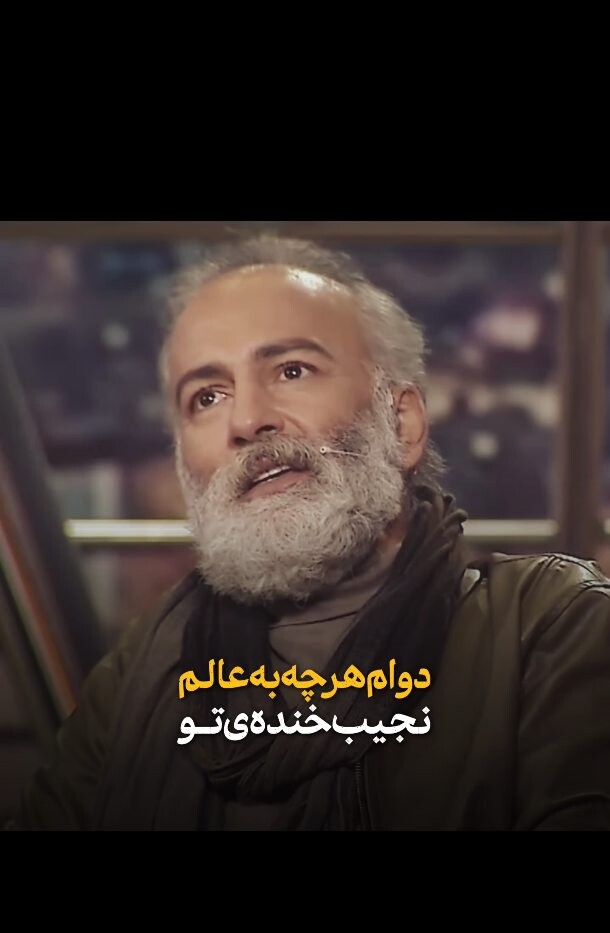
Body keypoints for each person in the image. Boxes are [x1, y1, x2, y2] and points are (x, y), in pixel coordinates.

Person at [14, 235, 610, 830]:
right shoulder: (138, 674)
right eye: (207, 396)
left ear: (401, 423)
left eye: (291, 370)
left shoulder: (550, 632)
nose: (248, 419)